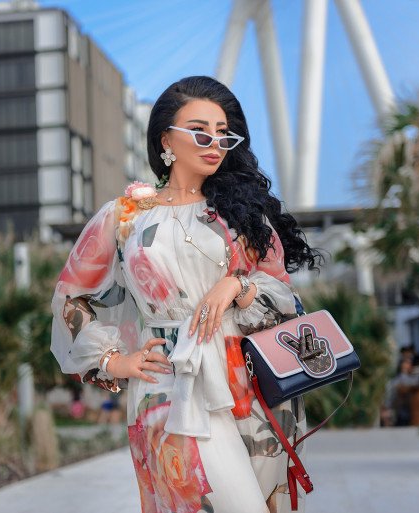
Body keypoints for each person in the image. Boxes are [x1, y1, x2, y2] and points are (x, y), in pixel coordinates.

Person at [50, 76, 324, 513]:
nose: (214, 142)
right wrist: (114, 361)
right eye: (200, 131)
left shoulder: (243, 217)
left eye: (223, 133)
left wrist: (238, 285)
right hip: (167, 387)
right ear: (166, 139)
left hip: (247, 382)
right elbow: (71, 297)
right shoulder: (124, 218)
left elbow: (286, 299)